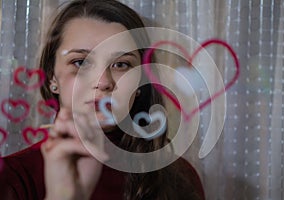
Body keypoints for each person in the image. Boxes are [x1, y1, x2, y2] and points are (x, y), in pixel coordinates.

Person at [0, 0, 205, 199]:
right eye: (80, 62)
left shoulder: (181, 178)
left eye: (121, 64)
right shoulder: (11, 178)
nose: (104, 82)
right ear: (52, 77)